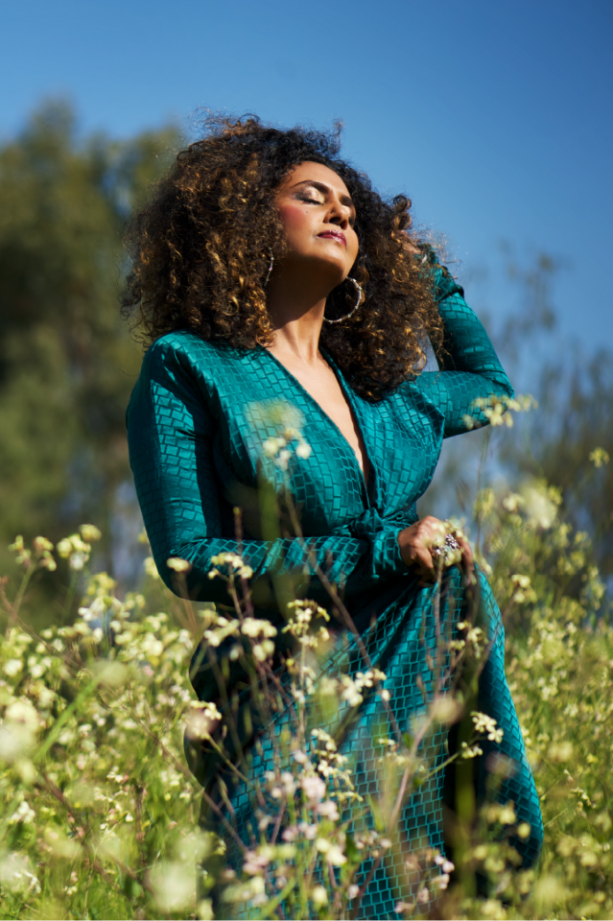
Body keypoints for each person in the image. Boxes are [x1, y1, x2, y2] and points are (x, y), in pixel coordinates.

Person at [123, 118, 542, 917]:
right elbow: (187, 556)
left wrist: (425, 273)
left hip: (418, 694)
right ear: (246, 220)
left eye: (353, 207)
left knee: (421, 889)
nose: (342, 212)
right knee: (272, 894)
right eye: (311, 196)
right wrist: (384, 552)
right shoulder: (190, 367)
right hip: (289, 697)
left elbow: (490, 386)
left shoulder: (389, 404)